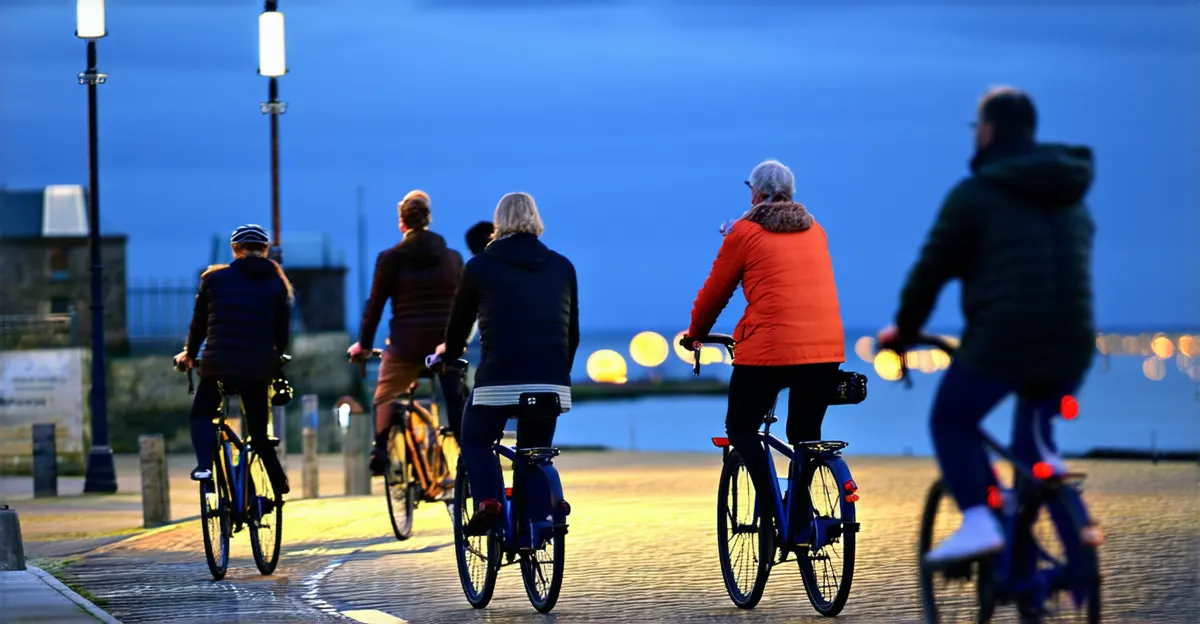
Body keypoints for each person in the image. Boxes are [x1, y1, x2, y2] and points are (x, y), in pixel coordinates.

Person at [877, 87, 1096, 565]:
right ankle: (1042, 545)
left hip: (1005, 341)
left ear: (989, 131)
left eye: (976, 127)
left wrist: (904, 331)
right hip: (1074, 344)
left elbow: (930, 270)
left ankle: (979, 519)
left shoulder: (976, 195)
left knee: (951, 420)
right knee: (1032, 447)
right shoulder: (1072, 198)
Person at [683, 159, 846, 544]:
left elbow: (716, 293)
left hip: (770, 349)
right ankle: (801, 515)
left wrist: (696, 335)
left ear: (754, 192)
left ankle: (775, 511)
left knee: (740, 428)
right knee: (805, 434)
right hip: (826, 350)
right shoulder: (815, 229)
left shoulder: (744, 232)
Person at [437, 192, 579, 532]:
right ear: (536, 220)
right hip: (551, 381)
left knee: (475, 439)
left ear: (498, 224)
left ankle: (488, 500)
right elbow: (572, 333)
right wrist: (559, 373)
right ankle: (540, 515)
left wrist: (451, 359)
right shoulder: (563, 266)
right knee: (535, 451)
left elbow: (457, 327)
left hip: (498, 379)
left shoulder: (479, 267)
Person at [347, 190, 466, 476]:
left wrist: (363, 345)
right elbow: (465, 306)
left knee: (386, 393)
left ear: (402, 223)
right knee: (456, 391)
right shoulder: (453, 258)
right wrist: (456, 342)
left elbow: (374, 306)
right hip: (444, 345)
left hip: (405, 346)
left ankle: (380, 449)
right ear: (429, 219)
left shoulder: (390, 258)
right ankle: (467, 448)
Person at [175, 224, 291, 495]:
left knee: (201, 415)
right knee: (258, 432)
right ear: (265, 250)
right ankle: (276, 478)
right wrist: (275, 358)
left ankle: (204, 466)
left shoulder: (213, 280)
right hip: (257, 367)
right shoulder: (276, 282)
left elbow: (199, 325)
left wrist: (190, 354)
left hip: (217, 366)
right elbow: (281, 333)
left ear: (234, 249)